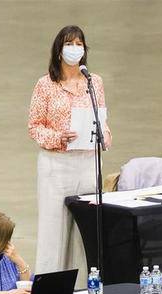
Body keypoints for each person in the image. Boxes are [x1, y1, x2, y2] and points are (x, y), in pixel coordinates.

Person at [28, 25, 112, 279]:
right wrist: (58, 138)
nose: (75, 49)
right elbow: (34, 126)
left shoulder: (93, 81)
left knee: (84, 229)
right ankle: (49, 288)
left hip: (87, 162)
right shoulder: (45, 84)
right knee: (55, 229)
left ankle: (83, 288)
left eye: (79, 44)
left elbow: (102, 118)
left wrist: (105, 137)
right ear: (58, 50)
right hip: (57, 164)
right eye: (69, 44)